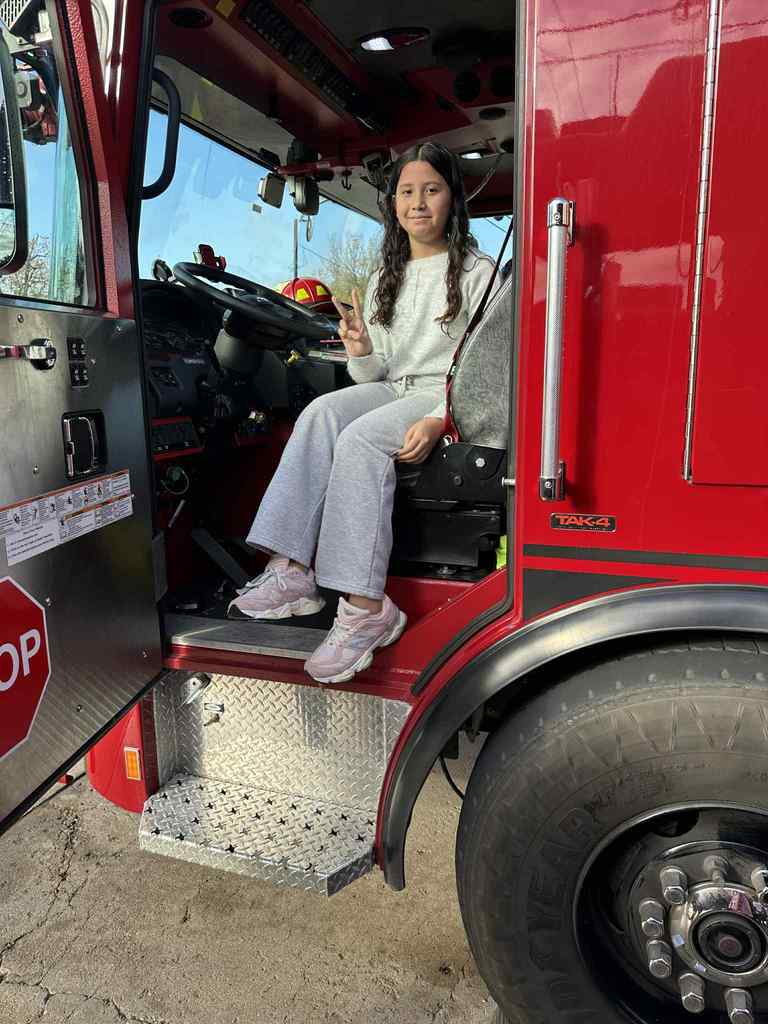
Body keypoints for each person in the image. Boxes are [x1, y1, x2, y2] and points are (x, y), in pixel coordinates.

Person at [229, 141, 496, 684]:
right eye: (406, 192)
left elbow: (486, 372)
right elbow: (375, 378)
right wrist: (360, 351)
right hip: (396, 389)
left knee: (360, 440)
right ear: (393, 205)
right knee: (321, 414)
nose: (417, 203)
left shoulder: (477, 272)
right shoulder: (383, 278)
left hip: (444, 394)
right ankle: (294, 571)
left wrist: (441, 417)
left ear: (452, 199)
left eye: (431, 190)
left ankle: (366, 610)